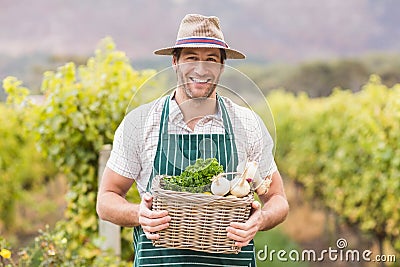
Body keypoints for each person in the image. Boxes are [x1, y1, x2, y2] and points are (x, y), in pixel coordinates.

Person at [96, 13, 289, 267]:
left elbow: (278, 199)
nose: (201, 69)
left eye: (211, 59)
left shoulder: (248, 124)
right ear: (175, 62)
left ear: (222, 66)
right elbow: (106, 199)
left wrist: (261, 220)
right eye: (191, 58)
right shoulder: (141, 123)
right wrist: (139, 214)